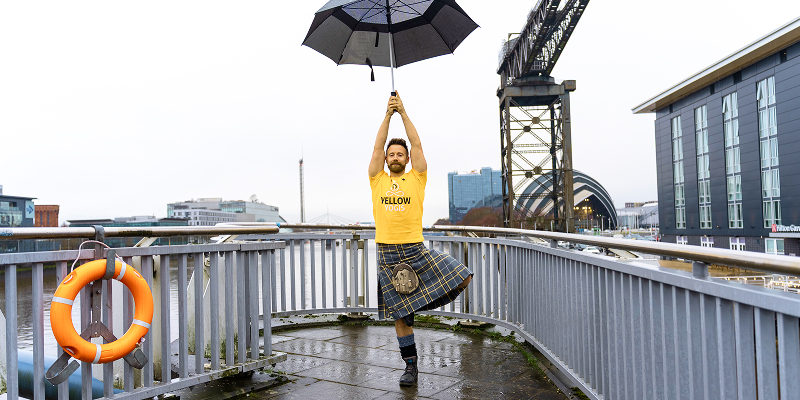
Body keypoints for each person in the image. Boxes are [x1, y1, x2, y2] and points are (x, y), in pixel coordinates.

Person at [368, 92, 473, 386]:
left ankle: (414, 304)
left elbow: (417, 144)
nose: (395, 157)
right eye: (391, 154)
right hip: (387, 251)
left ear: (407, 159)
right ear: (386, 159)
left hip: (415, 248)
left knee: (463, 277)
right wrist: (387, 115)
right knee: (400, 316)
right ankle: (410, 366)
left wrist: (402, 112)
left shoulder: (417, 177)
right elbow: (376, 146)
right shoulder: (377, 178)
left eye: (400, 154)